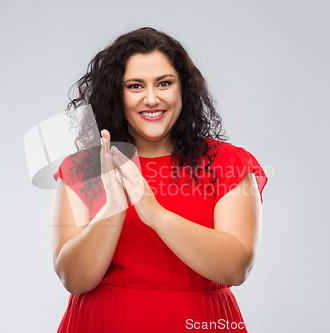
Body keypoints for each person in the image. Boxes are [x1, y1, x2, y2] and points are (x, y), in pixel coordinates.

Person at [50, 27, 268, 333]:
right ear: (117, 93)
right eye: (135, 86)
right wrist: (113, 208)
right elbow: (74, 279)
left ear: (183, 89)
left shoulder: (228, 164)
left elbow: (236, 267)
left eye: (164, 83)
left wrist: (156, 214)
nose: (151, 99)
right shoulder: (82, 168)